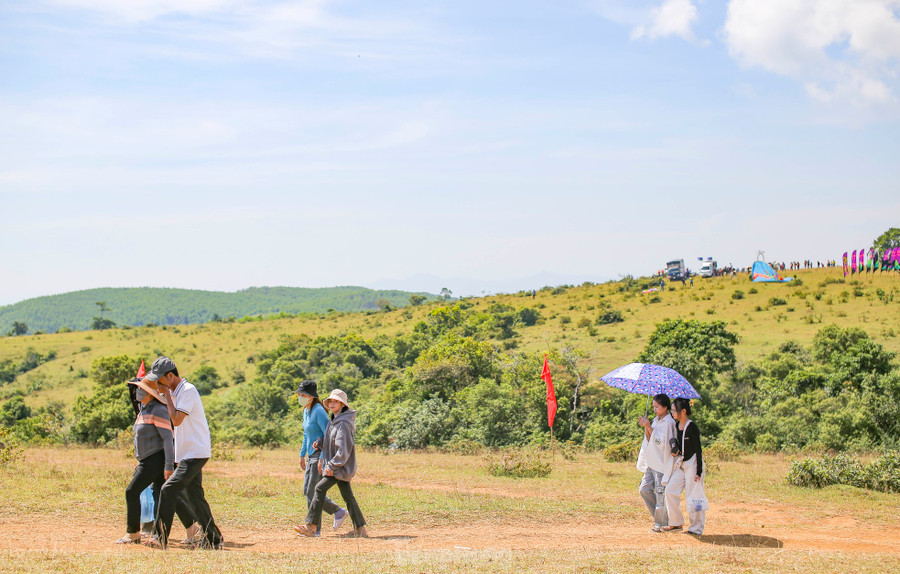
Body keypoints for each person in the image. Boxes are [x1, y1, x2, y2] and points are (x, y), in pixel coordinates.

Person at [144, 356, 224, 549]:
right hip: (189, 453)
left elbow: (177, 419)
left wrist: (167, 396)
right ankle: (214, 539)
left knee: (167, 489)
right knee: (196, 497)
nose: (158, 384)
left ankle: (159, 536)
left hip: (195, 452)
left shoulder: (188, 391)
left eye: (160, 379)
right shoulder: (177, 392)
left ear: (170, 376)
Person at [294, 389, 368, 538]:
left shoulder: (343, 424)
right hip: (337, 467)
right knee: (348, 497)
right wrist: (320, 442)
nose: (332, 403)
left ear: (342, 404)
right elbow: (329, 439)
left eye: (336, 401)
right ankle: (360, 530)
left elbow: (343, 451)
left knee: (319, 489)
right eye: (331, 401)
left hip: (339, 468)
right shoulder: (334, 420)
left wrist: (331, 466)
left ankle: (311, 526)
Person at [115, 377, 174, 544]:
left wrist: (168, 465)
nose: (137, 392)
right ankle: (158, 536)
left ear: (149, 393)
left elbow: (167, 439)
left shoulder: (158, 410)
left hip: (156, 459)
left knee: (131, 491)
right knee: (158, 494)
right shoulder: (144, 409)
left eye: (141, 389)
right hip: (148, 460)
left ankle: (133, 533)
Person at [296, 380, 348, 535]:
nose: (300, 397)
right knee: (308, 491)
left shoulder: (318, 410)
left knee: (313, 491)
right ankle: (335, 513)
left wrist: (322, 458)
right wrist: (301, 454)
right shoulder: (306, 411)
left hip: (319, 454)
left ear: (311, 396)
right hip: (311, 455)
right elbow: (306, 435)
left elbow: (328, 434)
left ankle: (316, 527)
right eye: (299, 394)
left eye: (303, 394)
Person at [663, 398, 707, 535]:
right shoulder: (677, 426)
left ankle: (696, 528)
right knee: (670, 490)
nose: (672, 413)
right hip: (681, 464)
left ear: (683, 411)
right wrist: (674, 445)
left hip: (693, 464)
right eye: (672, 410)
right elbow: (675, 440)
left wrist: (698, 471)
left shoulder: (691, 426)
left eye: (674, 410)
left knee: (693, 496)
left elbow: (698, 450)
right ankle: (676, 523)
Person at [636, 394, 677, 533]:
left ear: (665, 407)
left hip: (661, 463)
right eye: (653, 407)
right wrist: (647, 427)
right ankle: (662, 518)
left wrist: (650, 427)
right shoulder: (656, 420)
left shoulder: (669, 423)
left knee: (660, 493)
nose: (654, 410)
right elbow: (649, 439)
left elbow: (662, 444)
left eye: (657, 407)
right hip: (651, 461)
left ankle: (660, 523)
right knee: (644, 489)